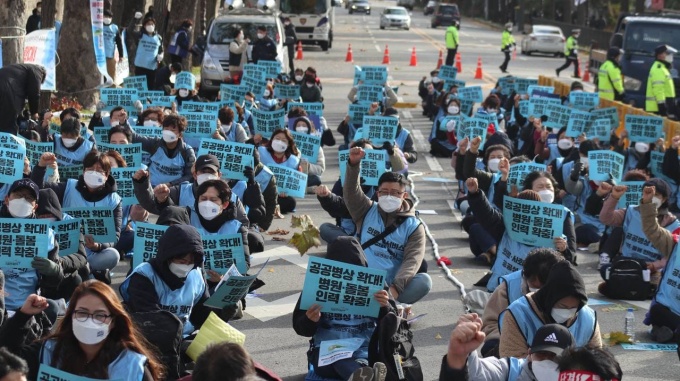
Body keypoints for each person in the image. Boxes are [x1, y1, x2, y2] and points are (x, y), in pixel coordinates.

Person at [0, 280, 164, 380]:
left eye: (100, 315)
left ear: (113, 321)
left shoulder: (132, 366)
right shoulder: (49, 351)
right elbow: (7, 359)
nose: (90, 321)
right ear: (71, 316)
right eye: (82, 313)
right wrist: (23, 316)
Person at [293, 237, 390, 381]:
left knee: (363, 361)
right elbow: (300, 327)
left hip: (365, 349)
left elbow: (391, 324)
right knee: (338, 359)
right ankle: (364, 375)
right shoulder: (317, 284)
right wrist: (310, 320)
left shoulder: (377, 284)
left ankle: (362, 374)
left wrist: (385, 307)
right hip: (328, 351)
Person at [344, 147, 432, 304]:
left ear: (404, 196)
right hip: (359, 278)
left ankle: (394, 307)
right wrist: (353, 164)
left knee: (424, 280)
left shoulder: (414, 227)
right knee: (339, 243)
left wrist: (394, 290)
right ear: (378, 193)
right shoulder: (366, 209)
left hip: (388, 286)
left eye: (395, 192)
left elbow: (412, 260)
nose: (389, 196)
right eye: (384, 191)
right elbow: (351, 192)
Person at [441, 313, 622, 381]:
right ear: (529, 354)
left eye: (555, 358)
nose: (547, 362)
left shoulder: (582, 377)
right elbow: (477, 373)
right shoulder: (510, 370)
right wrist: (463, 355)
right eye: (541, 355)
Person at [33, 151, 123, 284]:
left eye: (99, 170)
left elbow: (114, 236)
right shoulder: (69, 187)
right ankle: (87, 273)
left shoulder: (114, 200)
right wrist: (41, 166)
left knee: (113, 255)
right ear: (83, 170)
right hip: (66, 250)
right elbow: (38, 189)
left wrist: (98, 246)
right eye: (90, 169)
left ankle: (86, 270)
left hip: (92, 253)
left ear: (107, 174)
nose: (94, 173)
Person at [120, 224, 223, 337]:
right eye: (182, 261)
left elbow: (200, 315)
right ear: (167, 256)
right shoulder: (144, 275)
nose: (186, 266)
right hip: (150, 338)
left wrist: (223, 307)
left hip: (185, 335)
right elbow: (149, 318)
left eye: (190, 262)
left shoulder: (197, 274)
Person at [499, 260, 602, 358]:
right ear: (549, 299)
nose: (567, 312)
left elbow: (597, 357)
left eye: (573, 307)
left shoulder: (588, 318)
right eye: (562, 306)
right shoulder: (518, 313)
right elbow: (512, 360)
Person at [597, 179, 679, 296]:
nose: (651, 197)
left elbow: (673, 254)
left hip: (652, 269)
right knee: (606, 270)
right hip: (627, 263)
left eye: (656, 195)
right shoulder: (631, 212)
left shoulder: (673, 224)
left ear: (664, 198)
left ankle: (624, 286)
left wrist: (655, 266)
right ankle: (634, 287)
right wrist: (614, 197)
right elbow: (605, 218)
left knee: (662, 280)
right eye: (648, 193)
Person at [481, 248, 562, 358]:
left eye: (545, 288)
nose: (541, 293)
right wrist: (510, 341)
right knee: (491, 350)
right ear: (525, 277)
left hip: (556, 343)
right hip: (512, 340)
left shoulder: (568, 289)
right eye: (536, 287)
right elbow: (490, 322)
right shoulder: (508, 288)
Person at [0, 179, 62, 314]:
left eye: (29, 198)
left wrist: (54, 271)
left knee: (51, 308)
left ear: (35, 207)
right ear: (6, 199)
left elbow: (52, 284)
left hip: (27, 304)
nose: (23, 200)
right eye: (18, 195)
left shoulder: (47, 235)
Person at [129, 113, 196, 187]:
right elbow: (135, 138)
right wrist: (124, 122)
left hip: (174, 191)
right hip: (151, 188)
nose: (168, 132)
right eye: (166, 129)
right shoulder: (155, 143)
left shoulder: (187, 151)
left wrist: (170, 184)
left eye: (173, 130)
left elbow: (190, 176)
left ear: (180, 134)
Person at [258, 129, 302, 214]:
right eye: (277, 138)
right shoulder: (261, 152)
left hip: (279, 195)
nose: (279, 142)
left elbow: (293, 183)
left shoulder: (293, 161)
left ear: (288, 144)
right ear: (272, 140)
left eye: (283, 140)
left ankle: (267, 207)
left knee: (291, 202)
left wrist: (287, 192)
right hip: (261, 191)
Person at [0, 64, 46, 135]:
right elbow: (34, 92)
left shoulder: (20, 69)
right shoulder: (38, 70)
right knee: (9, 125)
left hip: (5, 87)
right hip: (7, 89)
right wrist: (34, 113)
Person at [645, 44, 677, 116]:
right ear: (660, 55)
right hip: (657, 108)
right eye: (667, 53)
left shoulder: (663, 68)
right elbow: (658, 89)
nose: (670, 56)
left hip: (663, 105)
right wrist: (662, 105)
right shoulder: (658, 69)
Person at [134, 17, 164, 89]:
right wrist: (135, 19)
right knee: (140, 87)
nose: (150, 26)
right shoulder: (140, 35)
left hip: (151, 67)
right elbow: (130, 30)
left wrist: (161, 55)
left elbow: (161, 50)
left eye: (152, 24)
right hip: (140, 65)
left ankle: (148, 100)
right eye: (148, 24)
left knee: (150, 86)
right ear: (144, 26)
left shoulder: (158, 38)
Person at [103, 10, 124, 83]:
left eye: (109, 17)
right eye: (105, 16)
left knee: (110, 75)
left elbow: (119, 42)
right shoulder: (98, 26)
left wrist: (121, 55)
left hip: (110, 55)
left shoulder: (114, 28)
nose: (107, 18)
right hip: (99, 55)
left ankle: (109, 90)